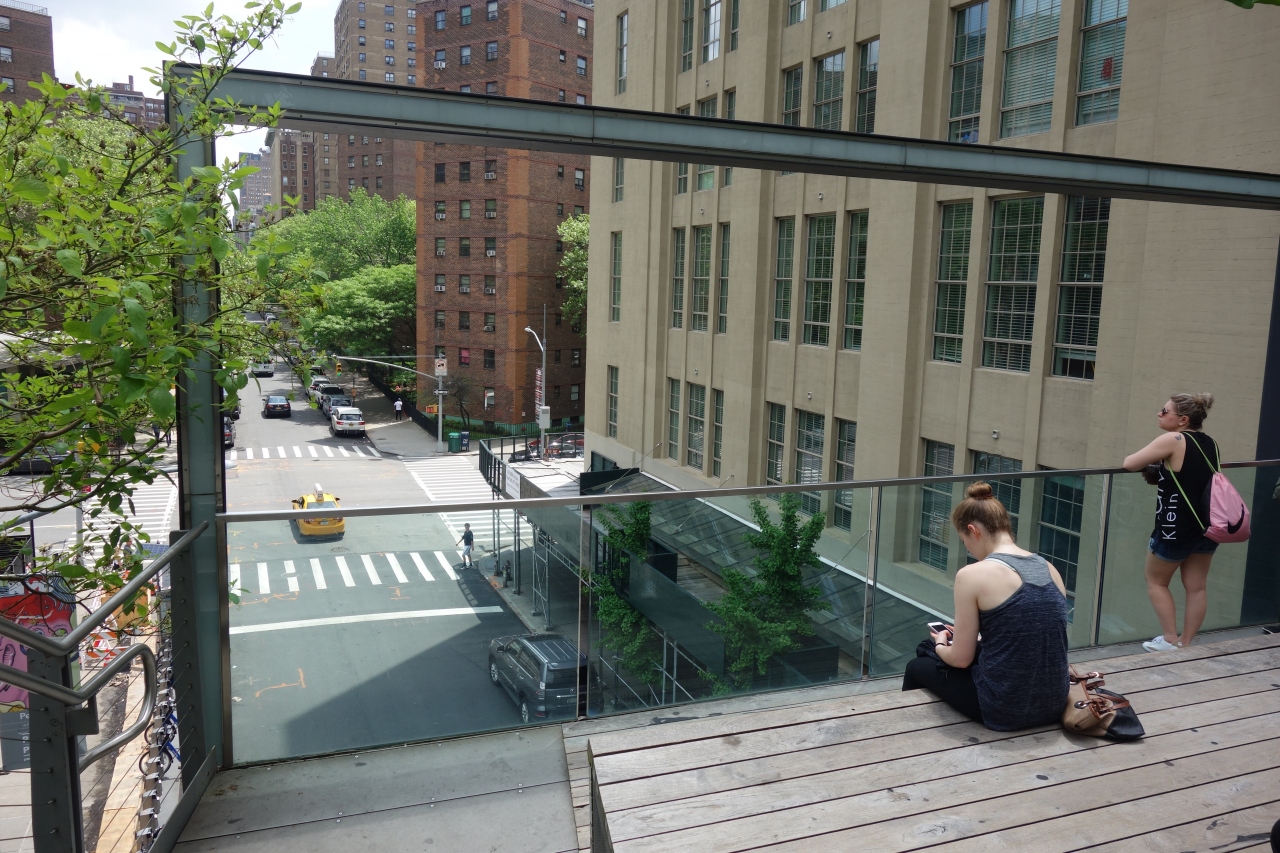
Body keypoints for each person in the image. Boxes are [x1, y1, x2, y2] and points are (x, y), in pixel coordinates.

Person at [902, 482, 1070, 731]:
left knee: (919, 663)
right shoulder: (1048, 567)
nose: (969, 549)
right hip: (1055, 702)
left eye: (964, 541)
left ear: (973, 530)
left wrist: (940, 644)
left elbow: (960, 659)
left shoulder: (972, 574)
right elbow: (1032, 629)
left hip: (1004, 708)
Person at [1123, 393, 1219, 652]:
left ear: (1183, 420)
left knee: (1156, 581)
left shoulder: (1173, 440)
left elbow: (1129, 463)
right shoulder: (1209, 443)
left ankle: (1168, 639)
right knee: (1196, 588)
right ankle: (1185, 643)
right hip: (1207, 525)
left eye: (1165, 411)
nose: (1159, 413)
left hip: (1174, 527)